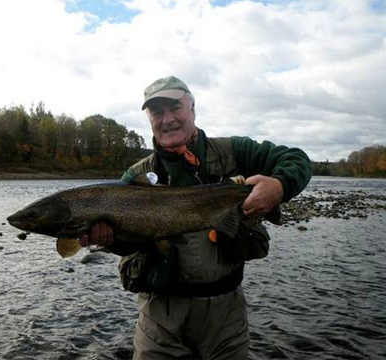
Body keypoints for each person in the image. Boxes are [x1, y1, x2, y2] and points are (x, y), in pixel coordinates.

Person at [79, 76, 312, 359]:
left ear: (192, 108)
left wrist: (279, 186)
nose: (167, 120)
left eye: (175, 108)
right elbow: (131, 244)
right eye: (157, 112)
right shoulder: (136, 177)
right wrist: (112, 241)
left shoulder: (233, 151)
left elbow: (297, 159)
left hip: (226, 315)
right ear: (149, 119)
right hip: (160, 317)